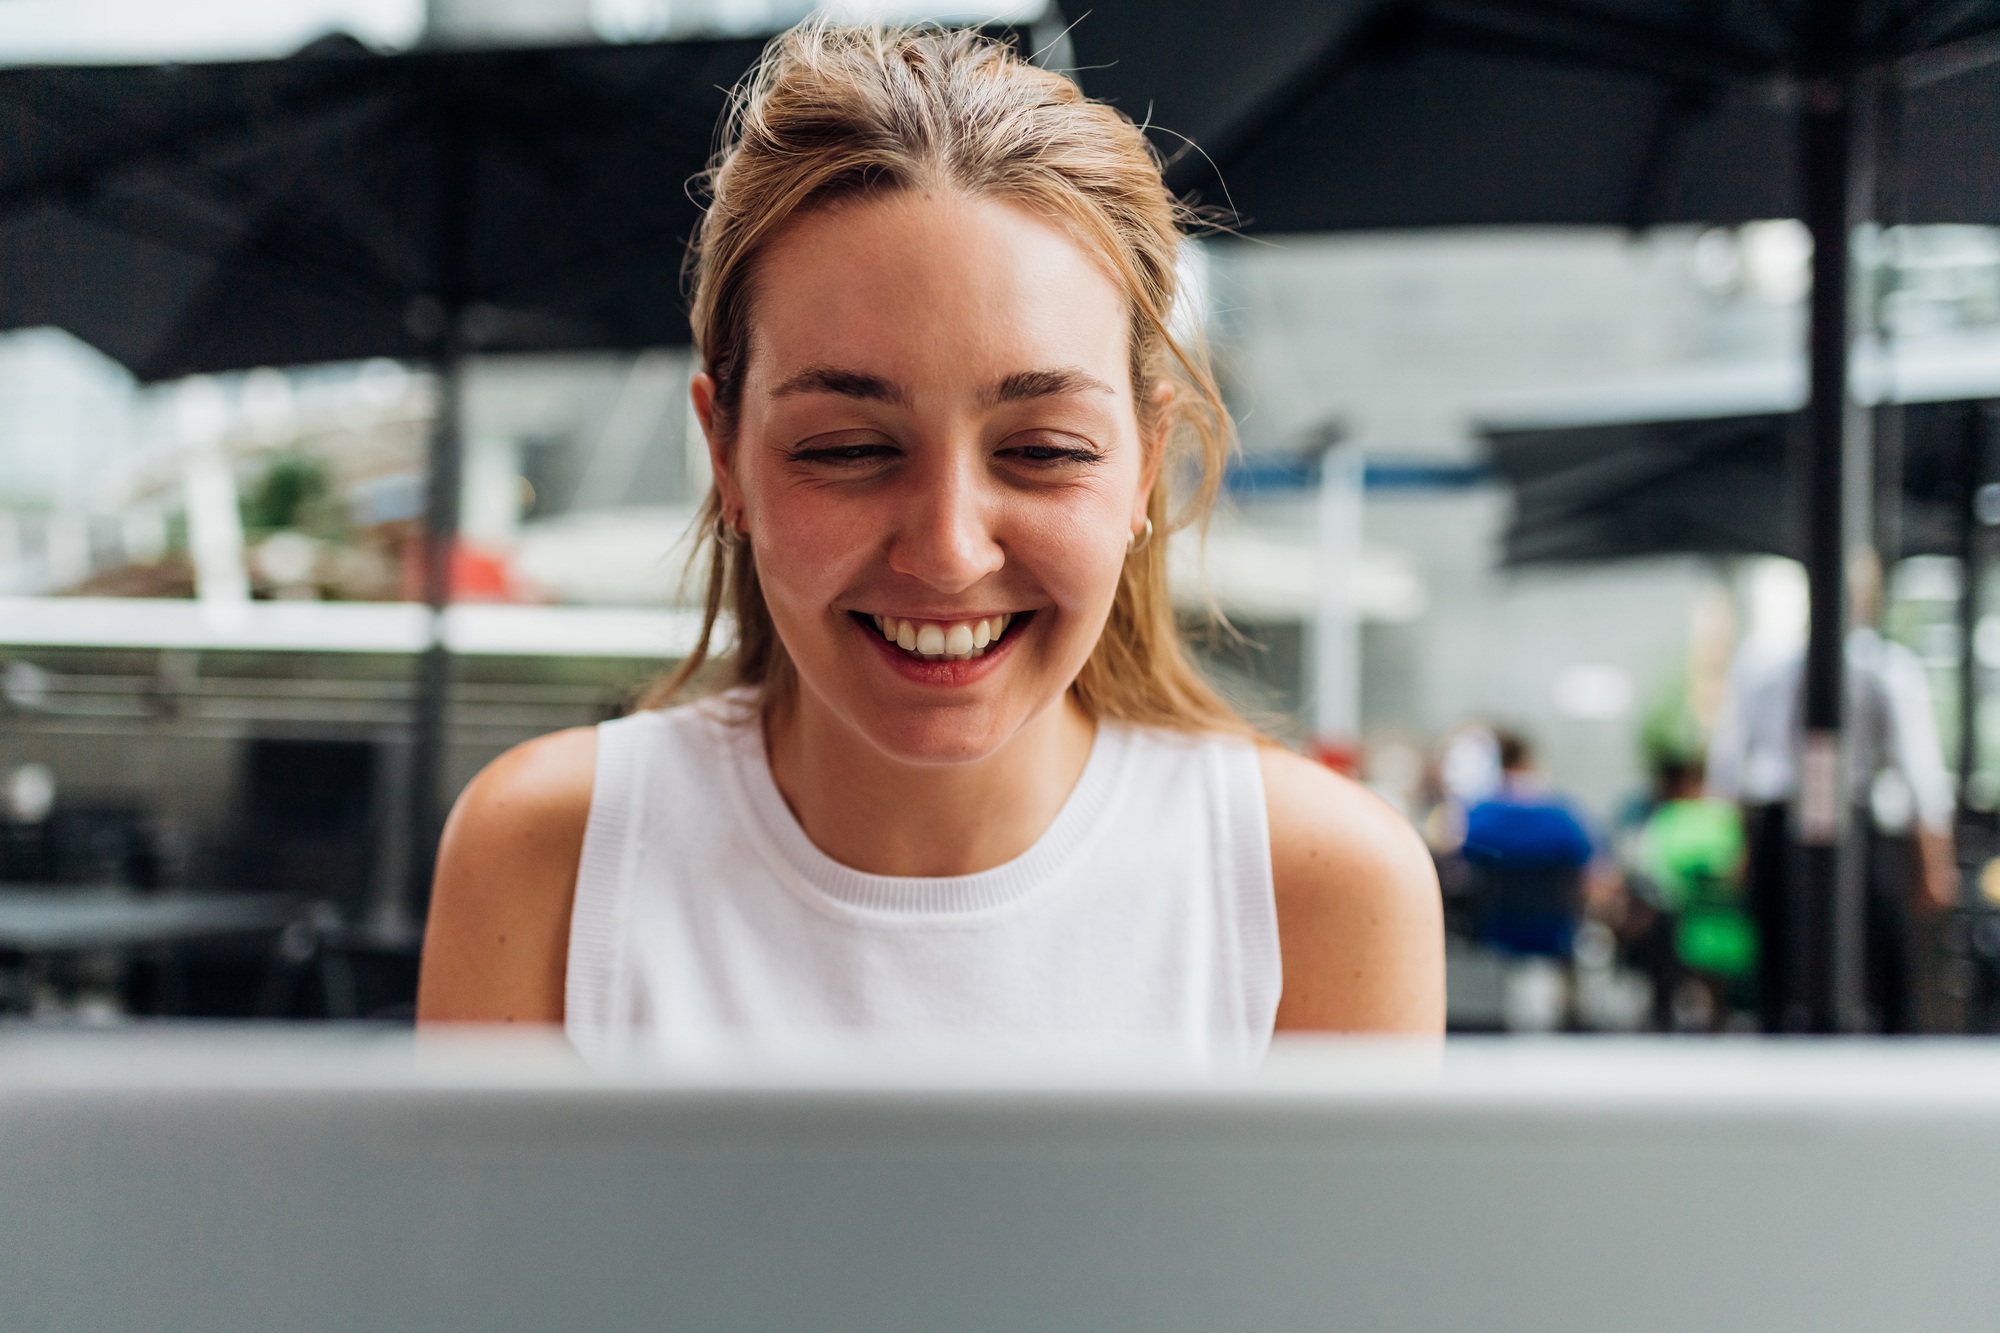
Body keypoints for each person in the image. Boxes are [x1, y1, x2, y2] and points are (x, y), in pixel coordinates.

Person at [415, 24, 1443, 1055]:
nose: (948, 552)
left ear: (1145, 461)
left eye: (1041, 449)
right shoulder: (550, 857)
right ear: (724, 454)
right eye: (852, 447)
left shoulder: (1316, 888)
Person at [1706, 551, 1955, 1032]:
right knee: (1883, 970)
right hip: (1858, 833)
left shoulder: (1762, 665)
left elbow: (1728, 771)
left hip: (1780, 829)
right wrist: (1933, 863)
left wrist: (1738, 847)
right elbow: (1922, 776)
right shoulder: (1886, 667)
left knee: (1781, 970)